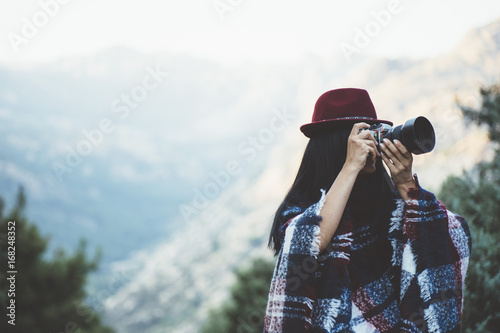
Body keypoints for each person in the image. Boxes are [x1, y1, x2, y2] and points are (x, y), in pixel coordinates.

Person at [263, 88, 471, 333]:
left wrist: (405, 183)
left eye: (375, 134)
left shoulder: (390, 204)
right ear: (337, 144)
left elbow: (450, 232)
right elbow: (307, 240)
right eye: (364, 135)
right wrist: (350, 166)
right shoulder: (299, 211)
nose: (373, 145)